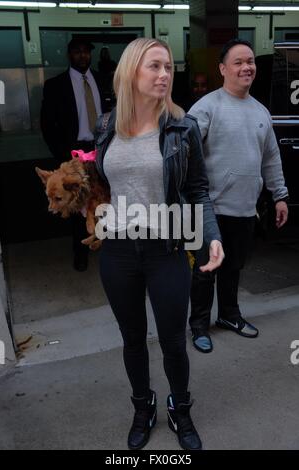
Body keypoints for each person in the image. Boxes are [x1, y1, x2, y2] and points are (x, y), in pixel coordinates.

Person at [94, 38, 224, 450]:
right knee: (132, 338)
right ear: (131, 72)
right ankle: (142, 406)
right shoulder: (105, 126)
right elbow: (105, 184)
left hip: (166, 247)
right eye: (154, 66)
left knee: (172, 340)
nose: (164, 75)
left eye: (168, 67)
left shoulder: (183, 128)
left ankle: (180, 409)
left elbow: (199, 189)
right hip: (116, 249)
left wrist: (212, 236)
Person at [188, 38, 289, 354]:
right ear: (222, 69)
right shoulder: (206, 108)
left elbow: (271, 157)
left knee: (233, 268)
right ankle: (199, 325)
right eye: (238, 62)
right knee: (206, 270)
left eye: (251, 62)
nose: (247, 67)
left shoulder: (261, 111)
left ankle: (230, 316)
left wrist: (280, 195)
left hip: (245, 208)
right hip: (210, 209)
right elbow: (185, 157)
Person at [40, 37, 112, 271]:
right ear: (69, 55)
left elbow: (114, 113)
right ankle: (80, 252)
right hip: (73, 153)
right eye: (77, 52)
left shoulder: (102, 80)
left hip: (101, 149)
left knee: (105, 197)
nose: (82, 56)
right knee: (75, 202)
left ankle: (107, 245)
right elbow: (47, 125)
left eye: (86, 52)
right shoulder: (55, 85)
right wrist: (63, 156)